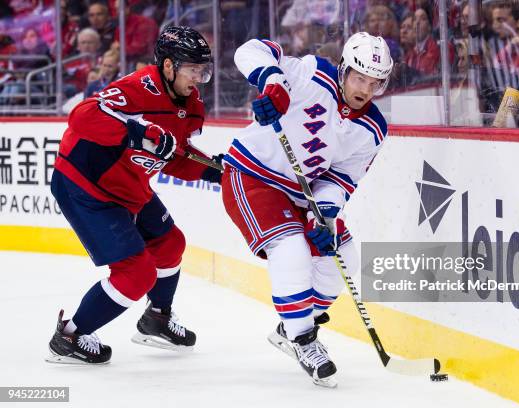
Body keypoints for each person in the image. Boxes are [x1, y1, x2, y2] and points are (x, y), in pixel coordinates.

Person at [222, 32, 393, 387]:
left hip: (302, 195)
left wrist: (324, 214)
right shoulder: (311, 74)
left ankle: (292, 326)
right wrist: (272, 83)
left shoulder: (373, 128)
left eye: (375, 83)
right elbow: (249, 49)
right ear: (345, 70)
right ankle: (304, 339)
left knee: (343, 256)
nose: (365, 89)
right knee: (292, 248)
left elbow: (341, 176)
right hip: (253, 175)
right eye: (359, 77)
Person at [46, 26, 222, 365]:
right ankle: (69, 337)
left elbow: (174, 155)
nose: (198, 79)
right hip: (86, 186)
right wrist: (134, 131)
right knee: (136, 273)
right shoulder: (137, 89)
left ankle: (157, 320)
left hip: (130, 186)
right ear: (168, 67)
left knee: (171, 244)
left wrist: (213, 171)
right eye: (192, 70)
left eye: (203, 70)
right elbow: (81, 117)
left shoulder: (192, 104)